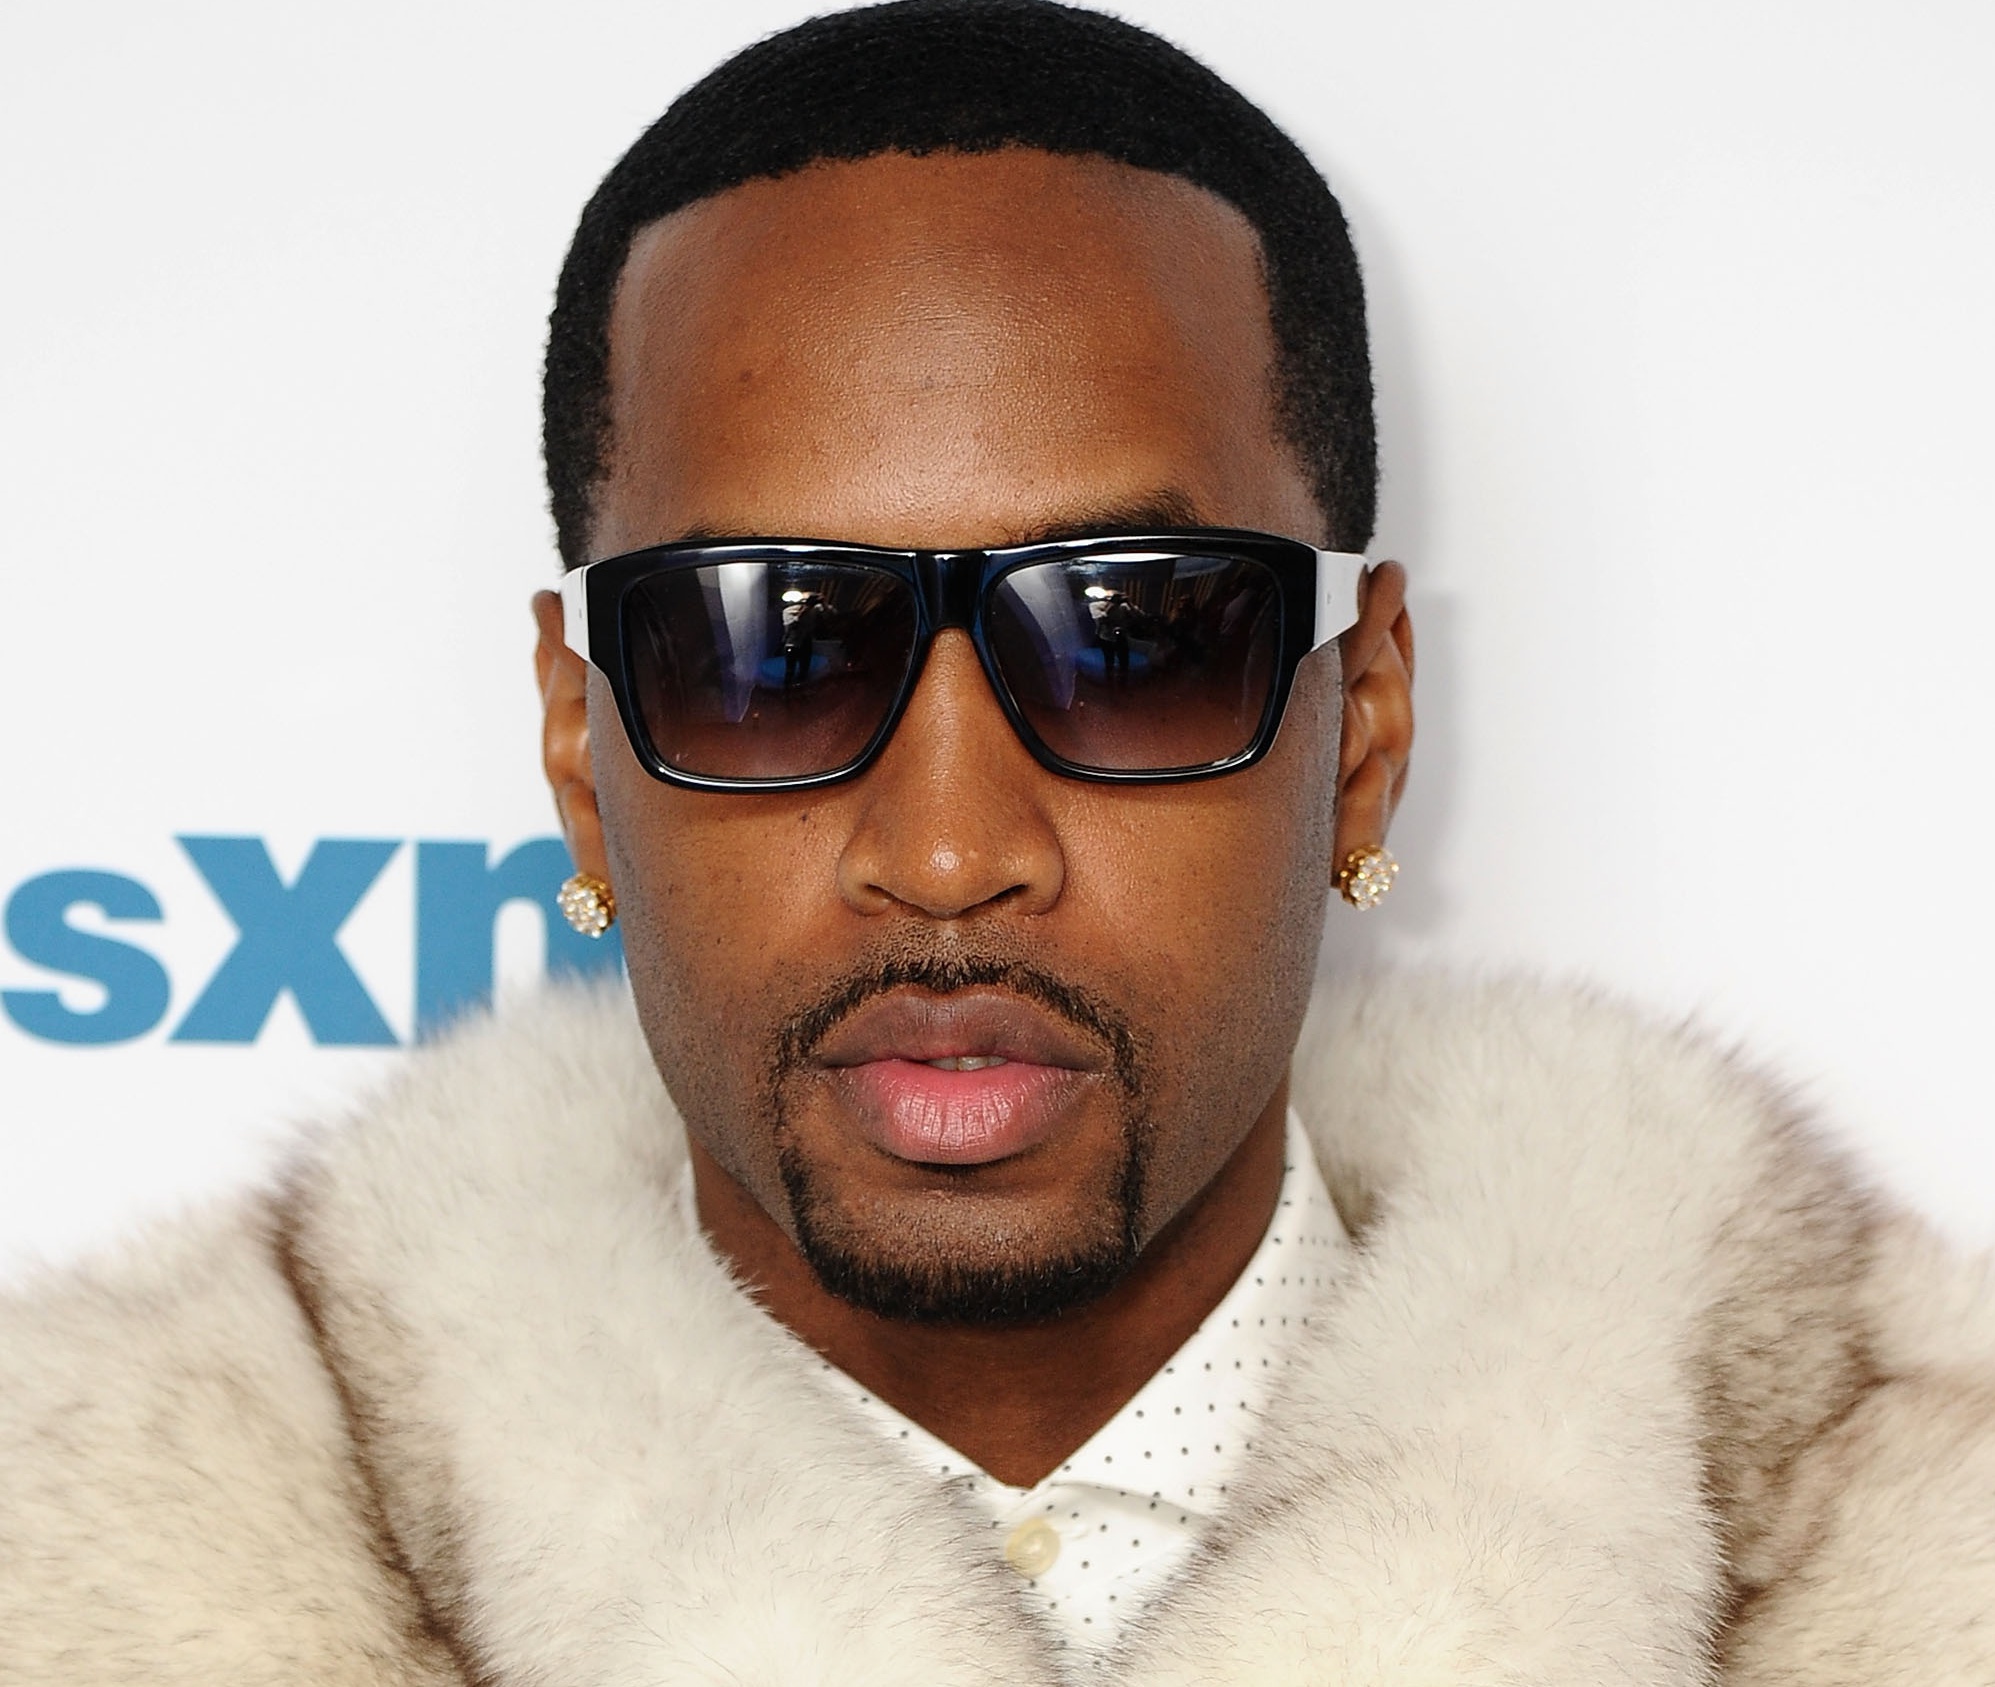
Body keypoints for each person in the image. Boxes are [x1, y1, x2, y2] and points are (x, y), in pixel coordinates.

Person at [3, 2, 1991, 1682]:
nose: (949, 854)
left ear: (1363, 729)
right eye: (766, 648)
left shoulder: (1911, 1573)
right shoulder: (84, 1590)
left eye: (1132, 636)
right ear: (579, 749)